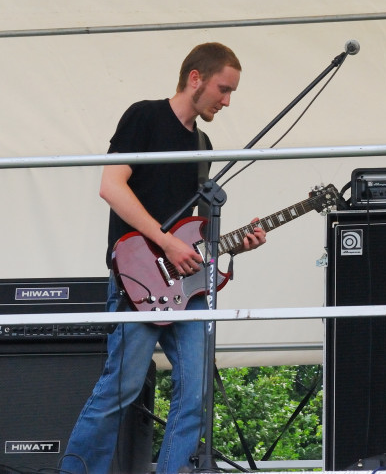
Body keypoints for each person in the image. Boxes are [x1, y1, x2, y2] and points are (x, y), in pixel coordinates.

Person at [60, 42, 266, 474]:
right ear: (195, 78)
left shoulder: (202, 142)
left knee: (195, 392)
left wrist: (234, 244)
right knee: (121, 390)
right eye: (223, 89)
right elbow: (112, 186)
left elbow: (192, 232)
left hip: (185, 288)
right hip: (136, 279)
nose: (227, 101)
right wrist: (166, 242)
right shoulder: (144, 116)